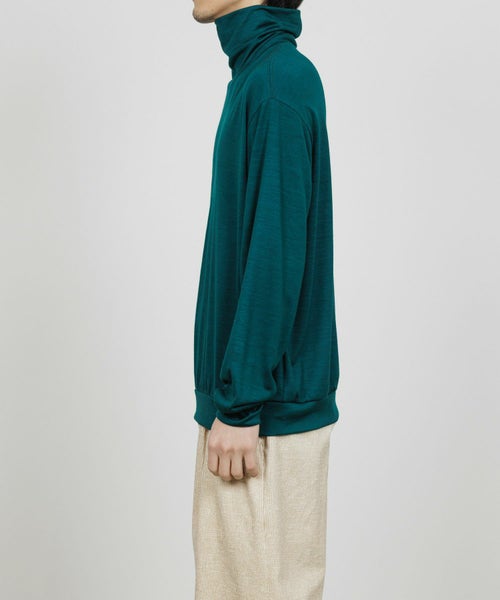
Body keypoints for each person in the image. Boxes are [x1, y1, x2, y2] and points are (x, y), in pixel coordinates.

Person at [190, 1, 340, 598]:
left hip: (259, 422)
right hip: (248, 412)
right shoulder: (259, 75)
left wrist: (240, 405)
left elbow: (276, 253)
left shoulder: (278, 80)